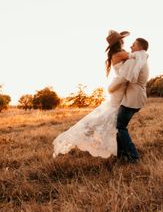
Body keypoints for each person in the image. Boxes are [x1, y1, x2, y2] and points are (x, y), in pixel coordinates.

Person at [52, 30, 148, 161]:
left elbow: (136, 58)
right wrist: (143, 53)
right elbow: (137, 56)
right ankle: (128, 155)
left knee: (115, 124)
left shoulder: (119, 53)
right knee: (114, 123)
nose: (124, 41)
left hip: (121, 91)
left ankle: (122, 154)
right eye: (122, 39)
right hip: (119, 90)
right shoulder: (121, 54)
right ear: (118, 42)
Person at [109, 38, 149, 164]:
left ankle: (133, 156)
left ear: (140, 47)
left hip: (132, 99)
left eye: (133, 45)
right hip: (136, 98)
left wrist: (110, 88)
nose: (131, 46)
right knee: (119, 125)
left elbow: (124, 79)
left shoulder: (135, 61)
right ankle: (121, 154)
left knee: (120, 126)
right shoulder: (140, 59)